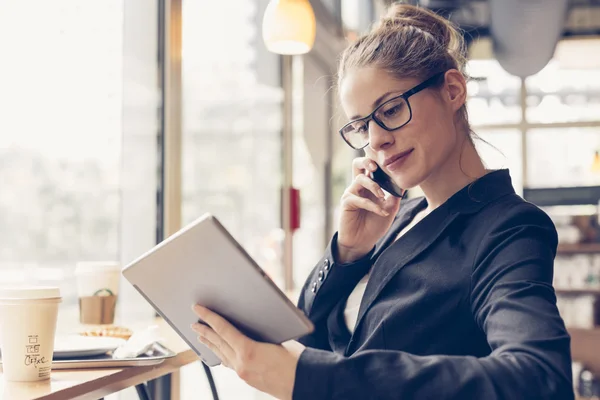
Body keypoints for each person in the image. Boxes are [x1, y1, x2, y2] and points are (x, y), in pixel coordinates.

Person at [190, 3, 574, 399]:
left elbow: (539, 377)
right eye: (361, 125)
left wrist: (311, 378)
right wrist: (348, 251)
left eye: (390, 110)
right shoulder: (396, 217)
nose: (375, 140)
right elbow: (312, 336)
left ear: (453, 90)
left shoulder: (509, 227)